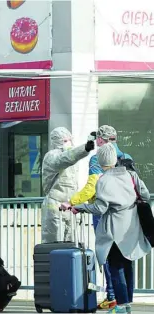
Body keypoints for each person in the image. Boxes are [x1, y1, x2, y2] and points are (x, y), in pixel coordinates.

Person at [66, 143, 151, 314]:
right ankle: (127, 303)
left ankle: (121, 305)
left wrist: (80, 207)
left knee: (115, 267)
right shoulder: (131, 175)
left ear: (101, 161)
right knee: (127, 265)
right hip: (132, 228)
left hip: (113, 231)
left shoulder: (103, 180)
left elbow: (100, 208)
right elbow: (146, 195)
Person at [69, 125, 133, 310]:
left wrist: (73, 202)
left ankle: (113, 296)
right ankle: (126, 301)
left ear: (100, 140)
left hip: (104, 214)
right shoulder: (127, 157)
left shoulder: (98, 158)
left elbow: (92, 187)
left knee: (108, 256)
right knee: (126, 257)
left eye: (97, 138)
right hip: (127, 214)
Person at [40, 127, 94, 243]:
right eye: (65, 141)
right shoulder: (52, 156)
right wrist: (85, 148)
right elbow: (64, 159)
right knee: (55, 246)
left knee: (71, 246)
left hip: (70, 205)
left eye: (70, 139)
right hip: (55, 206)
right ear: (57, 141)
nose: (69, 143)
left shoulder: (72, 157)